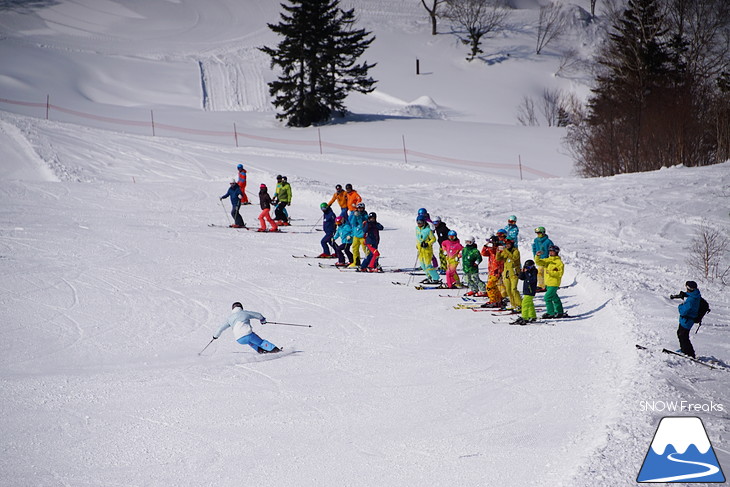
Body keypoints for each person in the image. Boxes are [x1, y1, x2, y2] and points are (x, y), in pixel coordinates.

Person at [212, 302, 280, 354]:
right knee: (260, 342)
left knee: (250, 342)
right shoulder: (244, 313)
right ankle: (275, 350)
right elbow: (258, 315)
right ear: (241, 307)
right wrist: (263, 320)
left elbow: (220, 328)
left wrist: (215, 336)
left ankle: (261, 351)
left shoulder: (229, 318)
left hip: (239, 339)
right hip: (248, 334)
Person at [535, 245, 566, 319]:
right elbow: (538, 262)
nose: (551, 253)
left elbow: (560, 273)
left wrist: (551, 272)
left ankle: (550, 313)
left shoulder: (559, 263)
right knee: (555, 298)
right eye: (550, 251)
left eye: (552, 251)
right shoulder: (548, 260)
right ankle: (559, 311)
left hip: (554, 283)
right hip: (548, 283)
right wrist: (537, 256)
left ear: (556, 252)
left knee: (547, 297)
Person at [674, 281, 702, 358]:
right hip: (688, 320)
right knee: (681, 334)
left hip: (687, 320)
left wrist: (680, 306)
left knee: (683, 336)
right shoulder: (696, 294)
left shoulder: (691, 300)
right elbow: (692, 295)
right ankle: (684, 350)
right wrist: (685, 294)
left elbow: (683, 311)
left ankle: (689, 353)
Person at [480, 236, 504, 308]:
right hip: (491, 270)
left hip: (497, 271)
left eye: (493, 242)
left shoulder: (500, 248)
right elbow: (483, 253)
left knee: (489, 286)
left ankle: (493, 301)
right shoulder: (491, 250)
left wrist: (491, 247)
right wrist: (486, 245)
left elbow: (498, 254)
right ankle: (498, 300)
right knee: (494, 287)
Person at [497, 238, 522, 311]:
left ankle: (519, 305)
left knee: (513, 289)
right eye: (506, 244)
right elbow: (498, 259)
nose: (507, 246)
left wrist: (505, 250)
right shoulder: (505, 251)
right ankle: (513, 304)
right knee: (508, 290)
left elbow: (514, 258)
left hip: (514, 273)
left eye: (508, 244)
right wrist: (498, 252)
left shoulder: (516, 251)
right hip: (507, 273)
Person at [416, 216, 441, 284]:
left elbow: (433, 239)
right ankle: (429, 277)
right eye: (417, 222)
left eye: (420, 222)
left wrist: (427, 244)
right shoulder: (417, 229)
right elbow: (418, 238)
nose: (419, 224)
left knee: (428, 265)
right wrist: (417, 245)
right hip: (420, 250)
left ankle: (436, 278)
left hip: (427, 250)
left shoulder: (428, 230)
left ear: (424, 222)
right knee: (423, 265)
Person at [514, 260, 539, 324]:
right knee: (530, 304)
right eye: (526, 267)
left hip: (531, 290)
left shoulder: (534, 271)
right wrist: (522, 272)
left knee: (524, 304)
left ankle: (525, 317)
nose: (527, 269)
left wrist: (527, 273)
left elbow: (532, 280)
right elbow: (521, 277)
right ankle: (532, 316)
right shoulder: (527, 272)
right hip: (526, 290)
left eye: (528, 268)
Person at [532, 227, 554, 292]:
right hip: (539, 259)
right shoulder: (536, 240)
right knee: (540, 272)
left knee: (546, 272)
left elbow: (552, 250)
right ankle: (541, 285)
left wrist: (551, 258)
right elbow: (534, 248)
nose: (538, 234)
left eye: (539, 233)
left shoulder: (548, 241)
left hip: (546, 259)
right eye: (537, 233)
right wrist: (535, 256)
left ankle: (547, 285)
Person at [348, 202, 368, 268]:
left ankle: (370, 262)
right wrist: (354, 215)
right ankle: (356, 262)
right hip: (355, 235)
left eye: (361, 208)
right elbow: (353, 223)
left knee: (366, 249)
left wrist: (359, 216)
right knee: (355, 249)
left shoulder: (365, 215)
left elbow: (362, 225)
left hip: (362, 236)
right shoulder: (355, 214)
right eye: (359, 208)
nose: (360, 209)